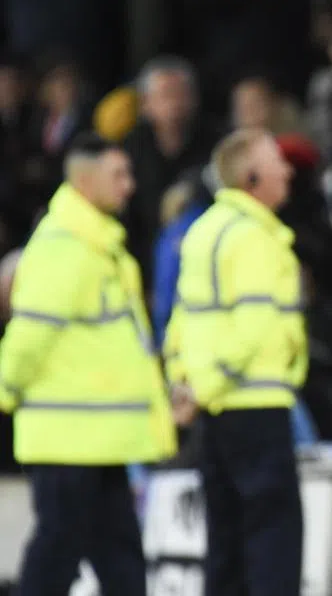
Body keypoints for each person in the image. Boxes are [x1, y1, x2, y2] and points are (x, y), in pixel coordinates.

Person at [0, 133, 176, 596]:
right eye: (118, 174)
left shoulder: (96, 246)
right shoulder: (63, 248)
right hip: (67, 440)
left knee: (122, 564)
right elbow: (29, 336)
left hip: (99, 440)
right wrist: (3, 390)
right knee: (59, 554)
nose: (130, 185)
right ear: (84, 181)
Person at [164, 129, 306, 596]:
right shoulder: (255, 237)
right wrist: (216, 383)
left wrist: (188, 385)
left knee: (225, 540)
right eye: (276, 162)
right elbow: (255, 326)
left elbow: (181, 320)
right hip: (255, 403)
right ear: (251, 177)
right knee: (273, 538)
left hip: (215, 409)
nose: (287, 170)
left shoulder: (203, 229)